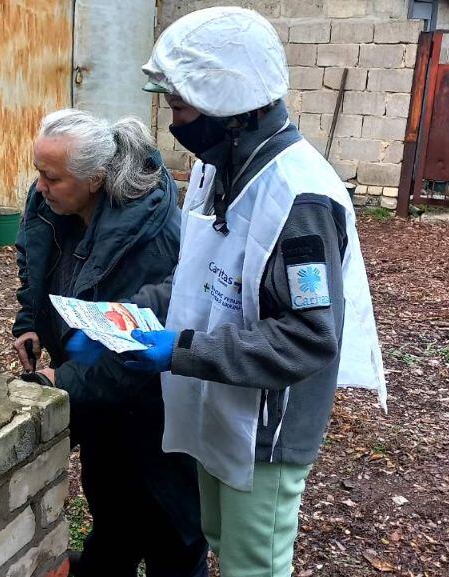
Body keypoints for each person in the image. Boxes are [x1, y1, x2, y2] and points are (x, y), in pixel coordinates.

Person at [64, 7, 386, 576]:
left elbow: (310, 339)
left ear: (230, 110)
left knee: (252, 564)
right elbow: (199, 277)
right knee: (218, 535)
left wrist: (177, 351)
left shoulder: (300, 199)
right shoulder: (218, 170)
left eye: (181, 106)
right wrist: (128, 315)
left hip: (266, 427)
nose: (170, 121)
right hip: (215, 399)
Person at [11, 109, 207, 577]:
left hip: (148, 400)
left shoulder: (152, 233)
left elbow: (134, 339)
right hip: (90, 389)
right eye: (39, 171)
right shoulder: (50, 201)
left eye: (52, 177)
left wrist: (64, 379)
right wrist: (29, 320)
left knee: (171, 527)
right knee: (111, 505)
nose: (40, 186)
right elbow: (33, 263)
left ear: (96, 179)